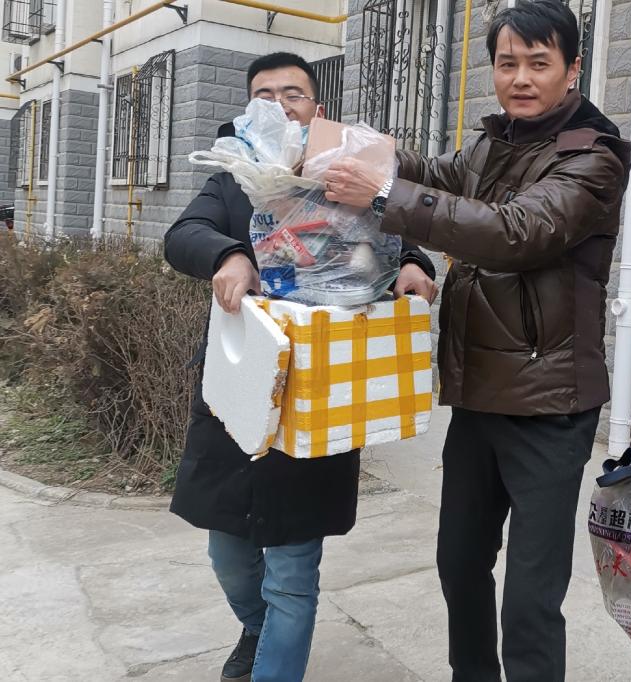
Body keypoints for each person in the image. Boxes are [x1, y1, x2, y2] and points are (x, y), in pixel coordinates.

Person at [322, 1, 631, 679]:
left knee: (530, 600)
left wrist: (383, 193)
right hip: (479, 393)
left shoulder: (594, 155)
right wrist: (350, 149)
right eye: (507, 63)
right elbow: (433, 177)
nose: (520, 78)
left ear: (573, 69)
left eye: (539, 63)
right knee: (459, 563)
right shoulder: (493, 144)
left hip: (550, 405)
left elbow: (517, 233)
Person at [163, 52, 437, 682]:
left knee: (291, 572)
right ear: (247, 111)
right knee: (229, 555)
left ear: (316, 109)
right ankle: (256, 630)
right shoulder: (233, 180)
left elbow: (396, 237)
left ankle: (273, 661)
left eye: (293, 93)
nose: (280, 105)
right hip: (240, 394)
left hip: (322, 392)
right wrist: (228, 255)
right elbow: (183, 235)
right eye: (264, 95)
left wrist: (412, 266)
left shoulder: (346, 175)